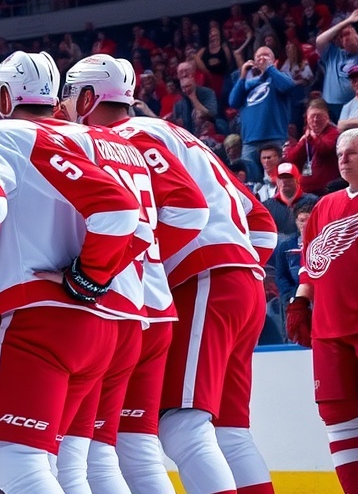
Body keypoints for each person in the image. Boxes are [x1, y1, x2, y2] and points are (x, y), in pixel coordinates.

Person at [0, 51, 143, 494]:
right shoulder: (93, 138)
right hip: (105, 323)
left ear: (4, 97)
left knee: (13, 460)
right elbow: (141, 228)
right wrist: (90, 278)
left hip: (39, 320)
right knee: (65, 468)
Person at [60, 55, 211, 494]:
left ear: (87, 98)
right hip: (152, 310)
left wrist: (130, 253)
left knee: (83, 453)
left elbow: (191, 209)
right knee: (133, 448)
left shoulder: (116, 138)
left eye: (70, 94)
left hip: (113, 306)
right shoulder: (133, 139)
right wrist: (147, 254)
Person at [116, 86, 278, 494]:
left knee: (181, 424)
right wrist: (239, 268)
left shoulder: (129, 136)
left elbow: (188, 208)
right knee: (230, 432)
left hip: (206, 280)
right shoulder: (186, 139)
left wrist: (154, 268)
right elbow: (262, 223)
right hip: (242, 282)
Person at [286, 128, 358, 494]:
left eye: (351, 152)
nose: (342, 158)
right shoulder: (324, 206)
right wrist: (300, 301)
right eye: (340, 153)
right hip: (327, 329)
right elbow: (311, 264)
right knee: (336, 418)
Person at [229, 46, 295, 164]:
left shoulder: (280, 78)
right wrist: (243, 75)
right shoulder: (248, 84)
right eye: (259, 56)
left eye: (266, 55)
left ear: (274, 61)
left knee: (275, 174)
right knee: (249, 174)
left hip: (274, 138)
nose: (262, 58)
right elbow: (233, 102)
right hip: (250, 142)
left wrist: (269, 68)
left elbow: (288, 86)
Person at [315, 9, 358, 120]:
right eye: (342, 36)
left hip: (356, 106)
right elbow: (319, 40)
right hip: (330, 107)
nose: (346, 38)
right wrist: (347, 21)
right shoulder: (333, 53)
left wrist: (356, 37)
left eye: (348, 34)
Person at [284, 99, 341, 195]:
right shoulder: (307, 135)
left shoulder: (333, 133)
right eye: (312, 116)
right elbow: (292, 159)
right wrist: (301, 143)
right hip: (306, 190)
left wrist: (312, 137)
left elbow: (324, 149)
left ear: (327, 117)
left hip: (325, 190)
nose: (315, 120)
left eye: (319, 116)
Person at [262, 163, 319, 236]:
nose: (284, 181)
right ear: (277, 181)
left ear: (297, 179)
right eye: (281, 178)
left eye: (288, 178)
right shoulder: (267, 206)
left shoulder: (313, 201)